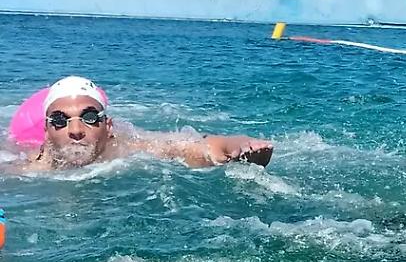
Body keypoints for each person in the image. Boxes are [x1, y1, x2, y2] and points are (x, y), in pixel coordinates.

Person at [22, 77, 273, 171]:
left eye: (89, 118)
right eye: (59, 120)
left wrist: (238, 146)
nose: (76, 131)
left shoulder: (131, 149)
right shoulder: (26, 169)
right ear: (46, 131)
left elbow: (193, 146)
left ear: (108, 126)